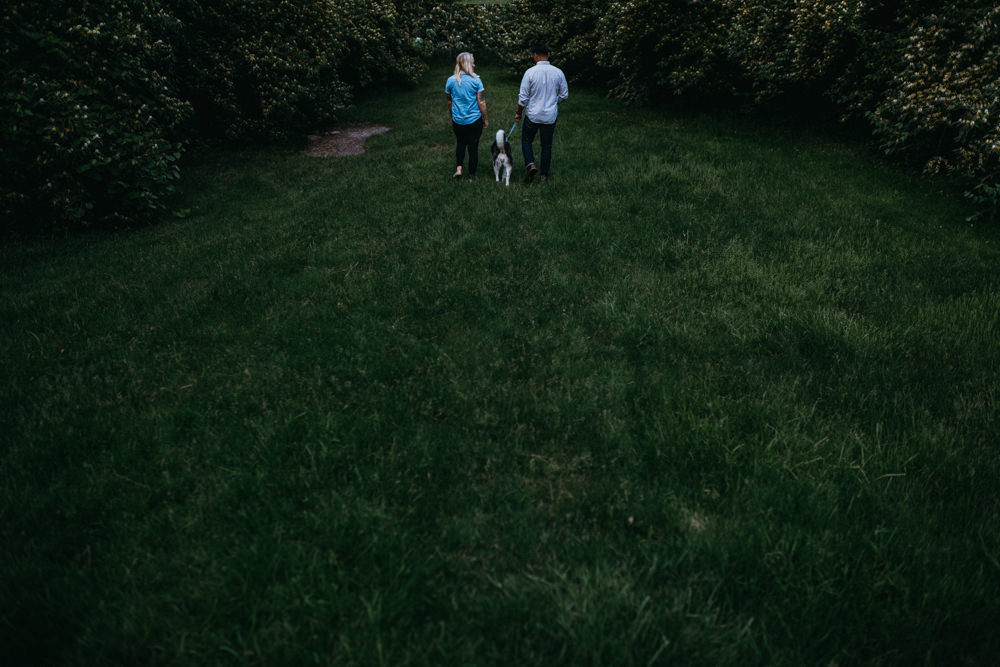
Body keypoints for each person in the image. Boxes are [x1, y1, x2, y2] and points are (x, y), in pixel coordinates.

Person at [514, 43, 569, 183]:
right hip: (550, 116)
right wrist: (553, 101)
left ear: (535, 55)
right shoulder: (558, 72)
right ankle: (544, 175)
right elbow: (564, 95)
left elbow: (523, 98)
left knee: (526, 140)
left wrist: (519, 113)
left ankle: (530, 164)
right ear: (548, 55)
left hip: (533, 115)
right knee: (546, 145)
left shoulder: (530, 73)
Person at [445, 52, 488, 180]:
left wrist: (452, 116)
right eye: (473, 62)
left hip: (458, 121)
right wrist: (485, 119)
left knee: (460, 143)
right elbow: (481, 102)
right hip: (474, 121)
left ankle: (459, 168)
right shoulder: (476, 80)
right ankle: (471, 175)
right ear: (467, 64)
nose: (474, 65)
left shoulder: (451, 80)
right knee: (473, 147)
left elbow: (449, 102)